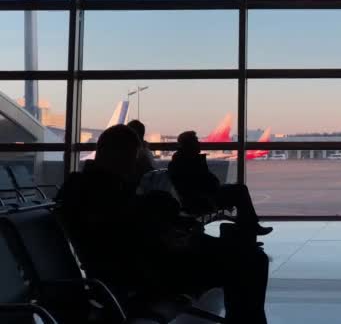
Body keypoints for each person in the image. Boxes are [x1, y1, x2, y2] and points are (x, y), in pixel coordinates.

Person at [56, 125, 269, 324]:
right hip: (145, 273)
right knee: (251, 261)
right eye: (130, 158)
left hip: (140, 266)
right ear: (115, 155)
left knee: (243, 257)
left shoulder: (88, 186)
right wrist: (171, 237)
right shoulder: (100, 189)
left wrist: (163, 227)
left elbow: (119, 230)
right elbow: (124, 235)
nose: (132, 166)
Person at [168, 131, 273, 236]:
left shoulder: (181, 161)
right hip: (205, 199)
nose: (199, 143)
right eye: (196, 141)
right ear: (190, 145)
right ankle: (250, 227)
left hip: (200, 198)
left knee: (239, 189)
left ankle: (248, 227)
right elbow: (207, 184)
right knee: (241, 190)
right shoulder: (190, 162)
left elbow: (201, 184)